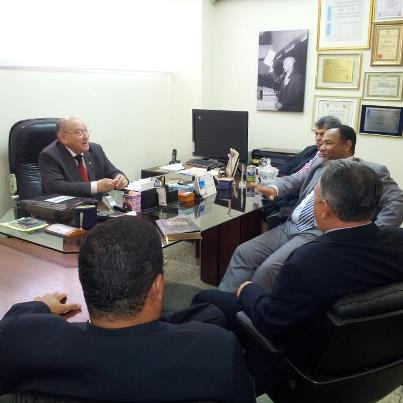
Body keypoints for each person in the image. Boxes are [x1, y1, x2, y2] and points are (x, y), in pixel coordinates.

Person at [193, 160, 403, 393]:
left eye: (315, 199)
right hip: (369, 358)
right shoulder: (398, 242)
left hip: (299, 360)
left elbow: (271, 322)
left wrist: (247, 289)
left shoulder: (306, 262)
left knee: (205, 299)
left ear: (324, 208)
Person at [0, 217, 255, 402]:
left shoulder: (22, 341)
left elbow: (12, 322)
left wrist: (42, 304)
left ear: (85, 281)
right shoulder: (215, 349)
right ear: (157, 287)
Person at [220, 125, 403, 293]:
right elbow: (294, 180)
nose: (321, 147)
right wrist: (274, 188)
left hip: (317, 232)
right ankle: (224, 304)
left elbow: (397, 200)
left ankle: (249, 311)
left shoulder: (369, 171)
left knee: (268, 269)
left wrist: (372, 233)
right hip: (291, 225)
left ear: (347, 145)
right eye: (321, 142)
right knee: (243, 252)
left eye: (328, 143)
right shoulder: (319, 163)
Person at [39, 116, 129, 198]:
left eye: (86, 130)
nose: (86, 136)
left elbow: (112, 171)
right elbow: (56, 187)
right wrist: (96, 186)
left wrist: (121, 178)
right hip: (67, 208)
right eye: (79, 133)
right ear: (63, 137)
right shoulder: (49, 155)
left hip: (97, 207)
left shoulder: (95, 149)